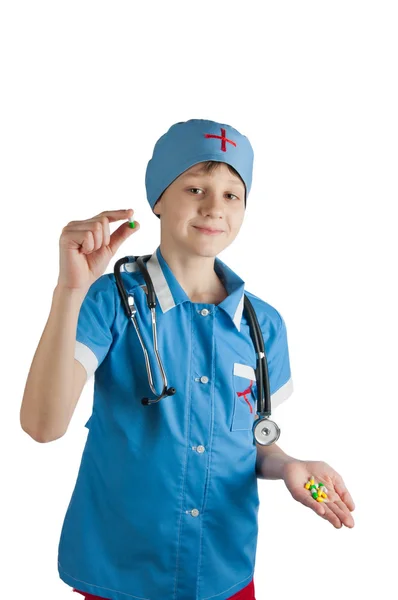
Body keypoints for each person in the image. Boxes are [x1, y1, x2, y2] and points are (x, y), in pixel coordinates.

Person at [20, 119, 355, 600]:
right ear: (158, 199)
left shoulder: (263, 325)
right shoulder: (111, 300)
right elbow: (42, 425)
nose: (213, 207)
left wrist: (288, 466)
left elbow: (247, 438)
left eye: (231, 195)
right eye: (195, 187)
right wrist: (71, 289)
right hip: (120, 573)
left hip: (222, 571)